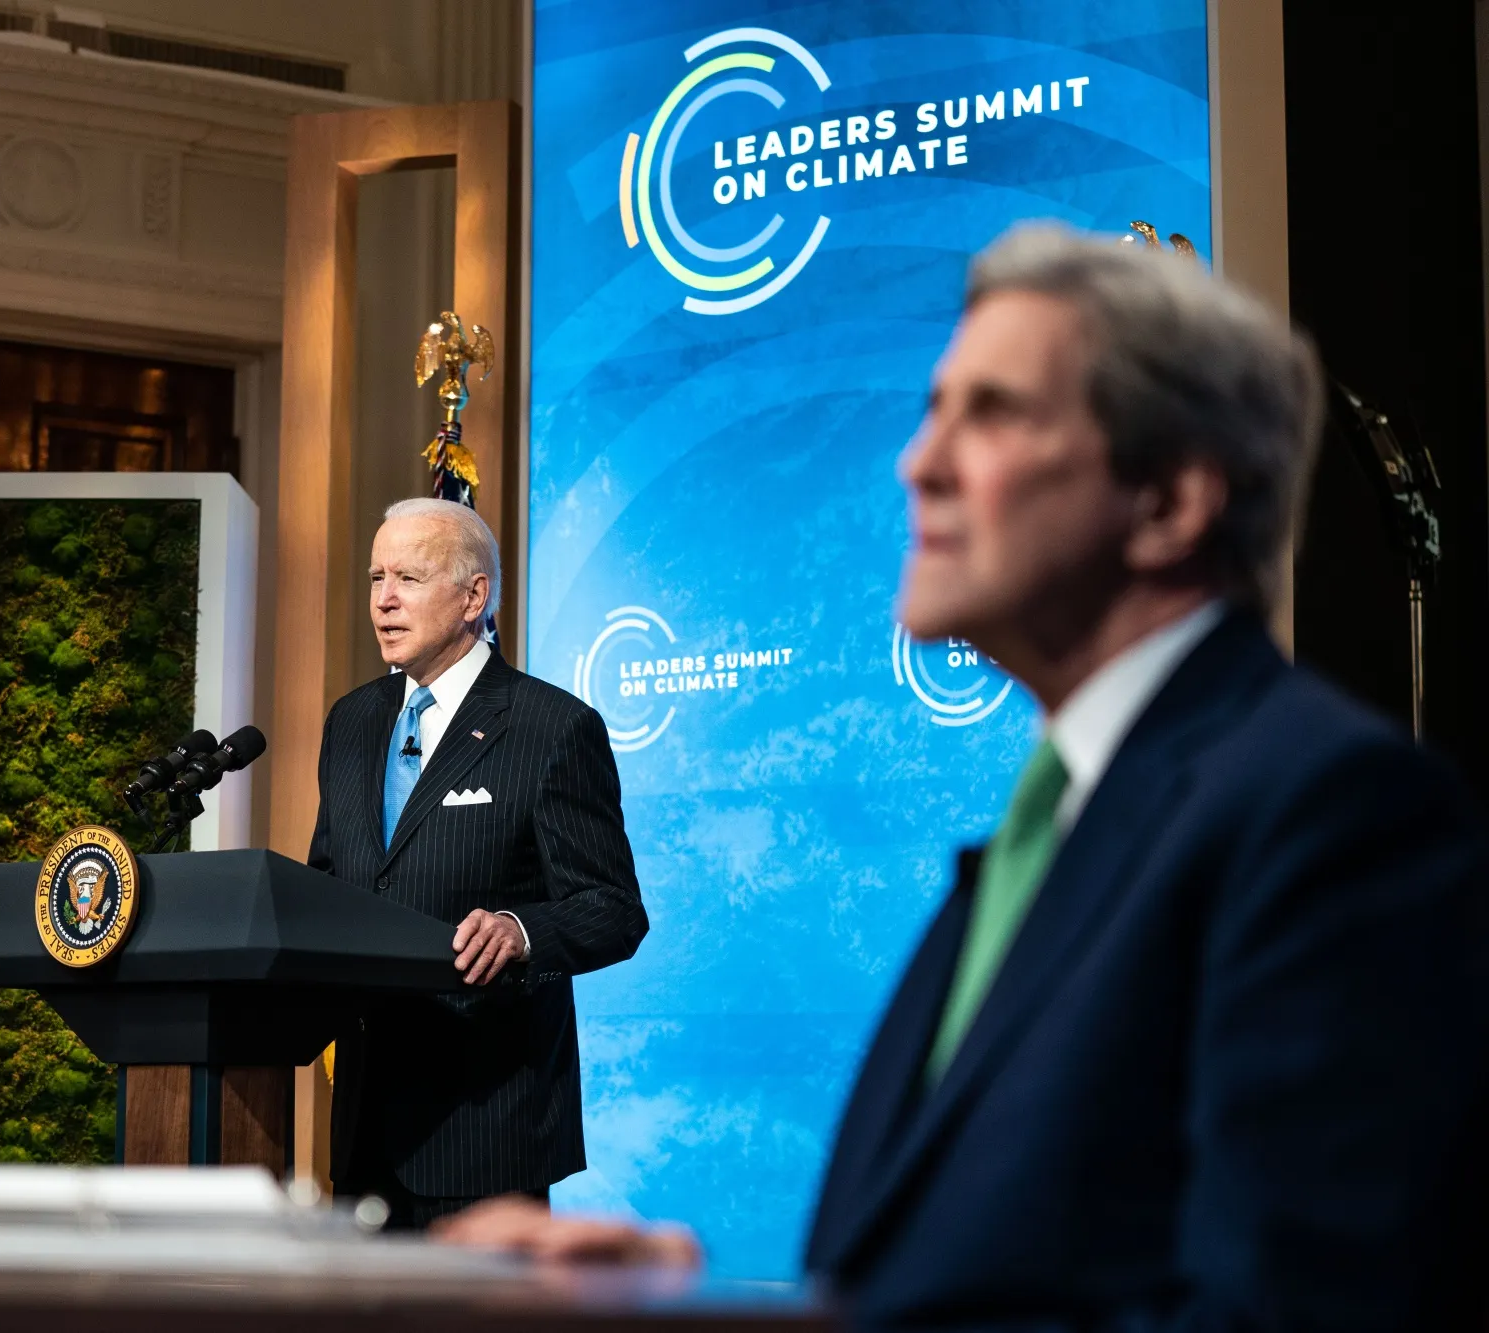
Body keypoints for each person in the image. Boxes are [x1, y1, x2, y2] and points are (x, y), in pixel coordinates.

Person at [436, 224, 1489, 1329]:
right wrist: (660, 1306)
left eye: (992, 414)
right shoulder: (1059, 821)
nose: (918, 461)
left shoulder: (1332, 818)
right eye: (935, 408)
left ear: (1172, 498)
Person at [309, 496, 648, 1230]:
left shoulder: (553, 727)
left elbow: (613, 909)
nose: (385, 598)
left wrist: (522, 931)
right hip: (364, 1127)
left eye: (409, 576)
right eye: (376, 577)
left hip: (485, 1129)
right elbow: (328, 879)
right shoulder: (353, 720)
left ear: (474, 596)